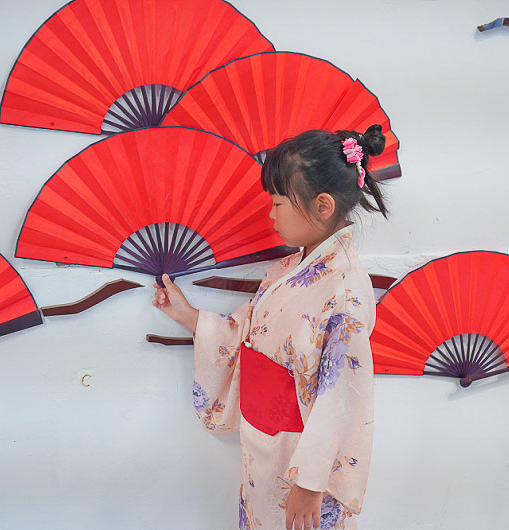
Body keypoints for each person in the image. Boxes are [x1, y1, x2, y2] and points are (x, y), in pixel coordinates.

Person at [153, 125, 388, 529]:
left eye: (279, 204)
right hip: (263, 445)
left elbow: (343, 396)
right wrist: (189, 316)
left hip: (301, 459)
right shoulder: (286, 269)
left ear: (323, 206)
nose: (271, 215)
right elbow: (248, 330)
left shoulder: (345, 292)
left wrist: (312, 481)